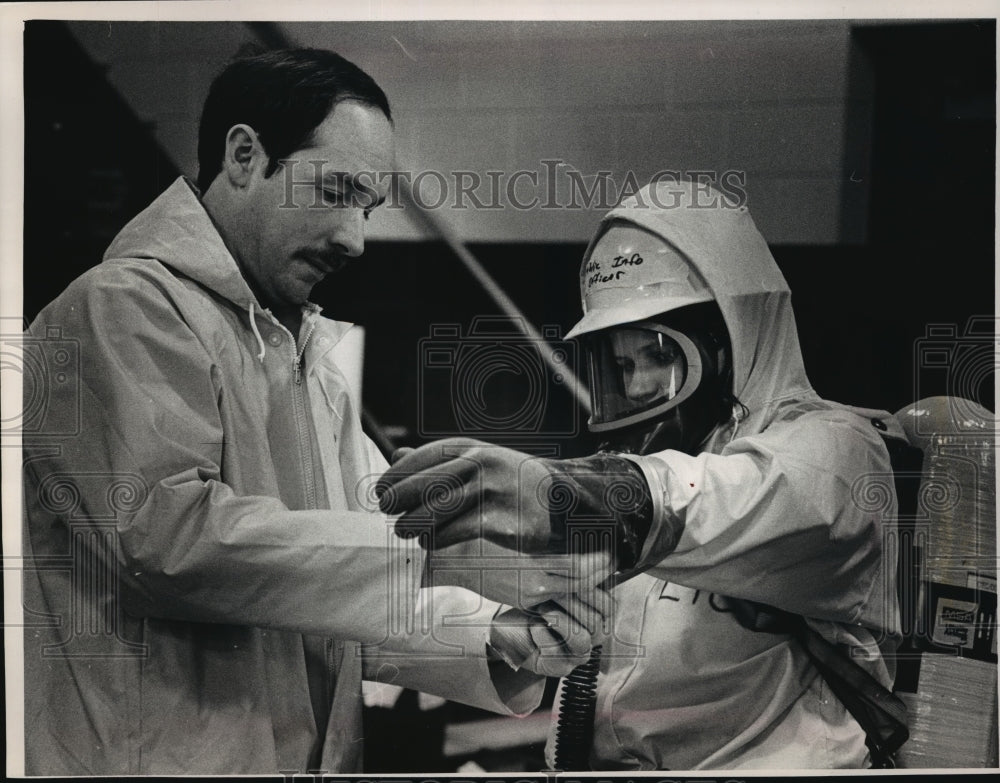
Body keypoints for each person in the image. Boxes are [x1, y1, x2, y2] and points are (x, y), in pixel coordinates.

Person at [20, 47, 597, 776]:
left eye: (368, 207)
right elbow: (171, 543)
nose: (354, 238)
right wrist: (440, 558)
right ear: (242, 155)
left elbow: (336, 596)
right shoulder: (121, 309)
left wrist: (497, 636)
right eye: (336, 191)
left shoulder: (303, 351)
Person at [379, 178, 906, 769]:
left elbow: (716, 501)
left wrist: (556, 494)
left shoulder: (833, 450)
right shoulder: (646, 468)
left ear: (732, 336)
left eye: (659, 355)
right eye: (624, 363)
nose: (637, 386)